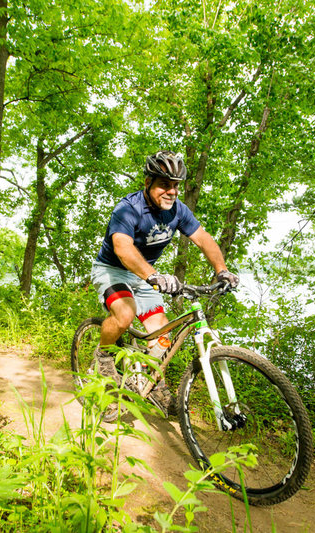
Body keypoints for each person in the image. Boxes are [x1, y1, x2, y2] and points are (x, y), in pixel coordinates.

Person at [90, 150, 239, 415]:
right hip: (112, 270)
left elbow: (203, 239)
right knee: (124, 315)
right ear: (148, 182)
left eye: (175, 186)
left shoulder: (178, 211)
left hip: (145, 274)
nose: (171, 191)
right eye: (164, 185)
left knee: (161, 337)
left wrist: (222, 270)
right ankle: (103, 357)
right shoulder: (129, 208)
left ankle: (152, 383)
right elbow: (122, 249)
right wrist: (153, 276)